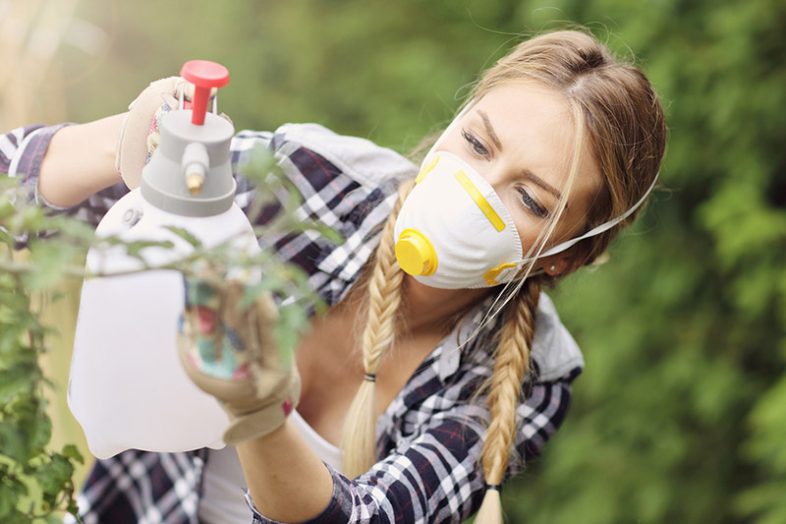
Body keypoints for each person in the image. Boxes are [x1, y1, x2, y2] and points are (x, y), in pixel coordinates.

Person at [1, 29, 666, 523]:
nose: (476, 193)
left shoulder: (523, 383)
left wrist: (256, 410)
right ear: (453, 126)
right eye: (477, 145)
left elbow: (368, 517)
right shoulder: (313, 185)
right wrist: (135, 139)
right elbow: (21, 196)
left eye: (531, 200)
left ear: (565, 255)